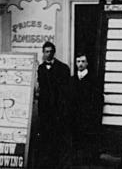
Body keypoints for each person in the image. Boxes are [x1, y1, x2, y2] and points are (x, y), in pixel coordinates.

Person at [36, 41, 71, 169]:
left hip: (58, 110)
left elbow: (65, 91)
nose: (48, 54)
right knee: (46, 137)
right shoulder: (40, 68)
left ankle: (58, 164)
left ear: (54, 52)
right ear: (43, 53)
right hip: (45, 110)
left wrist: (62, 109)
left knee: (58, 138)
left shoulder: (63, 68)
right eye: (46, 52)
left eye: (51, 51)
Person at [71, 53, 102, 169]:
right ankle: (78, 161)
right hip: (76, 116)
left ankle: (89, 161)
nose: (80, 64)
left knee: (89, 139)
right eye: (78, 61)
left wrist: (93, 115)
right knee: (77, 138)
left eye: (83, 61)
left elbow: (98, 99)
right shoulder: (73, 79)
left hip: (89, 116)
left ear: (87, 63)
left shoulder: (93, 80)